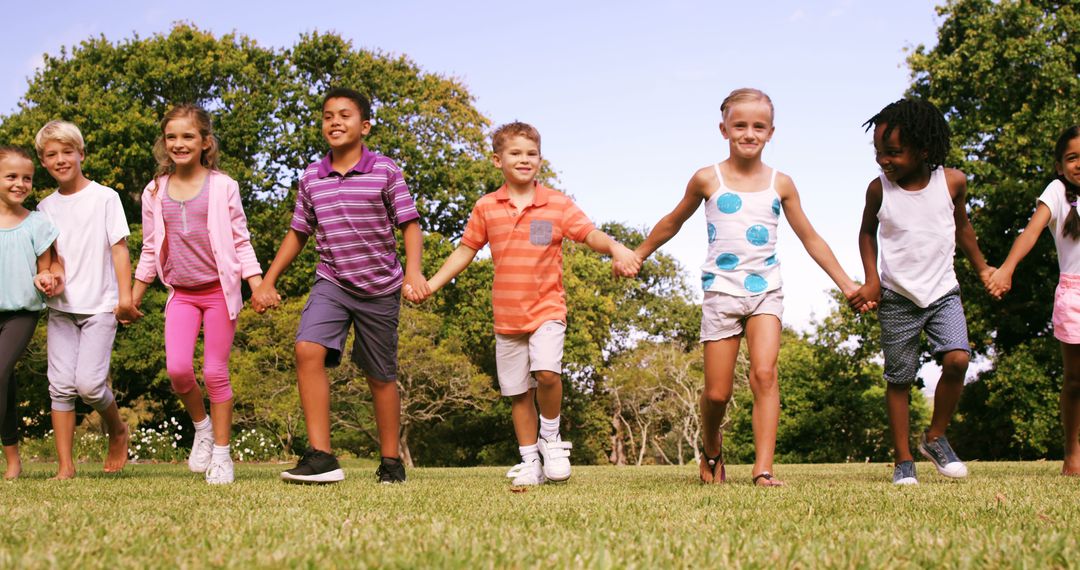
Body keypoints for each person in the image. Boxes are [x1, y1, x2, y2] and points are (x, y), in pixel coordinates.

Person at [633, 88, 864, 486]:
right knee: (717, 394)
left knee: (764, 374)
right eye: (740, 125)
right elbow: (673, 220)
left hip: (766, 292)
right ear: (723, 129)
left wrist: (846, 284)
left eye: (759, 126)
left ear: (771, 132)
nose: (749, 133)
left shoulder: (782, 183)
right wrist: (638, 254)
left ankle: (763, 470)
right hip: (721, 292)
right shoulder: (707, 178)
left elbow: (810, 237)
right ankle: (711, 448)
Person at [406, 121, 639, 486]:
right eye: (515, 153)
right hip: (507, 316)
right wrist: (431, 284)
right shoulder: (486, 206)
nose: (524, 159)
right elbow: (466, 250)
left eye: (531, 154)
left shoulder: (557, 204)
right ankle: (530, 460)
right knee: (517, 393)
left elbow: (588, 233)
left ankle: (551, 438)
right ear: (497, 160)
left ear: (540, 160)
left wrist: (615, 247)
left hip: (547, 309)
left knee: (547, 373)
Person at [252, 87, 426, 484]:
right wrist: (267, 280)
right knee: (307, 349)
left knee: (380, 375)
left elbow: (409, 224)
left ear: (364, 126)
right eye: (328, 115)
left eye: (344, 115)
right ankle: (322, 457)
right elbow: (298, 232)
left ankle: (391, 462)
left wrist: (413, 273)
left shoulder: (385, 170)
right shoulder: (312, 176)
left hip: (380, 286)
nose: (335, 122)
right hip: (332, 281)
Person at [849, 98, 995, 485]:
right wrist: (871, 279)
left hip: (943, 290)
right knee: (900, 377)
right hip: (897, 296)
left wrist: (982, 267)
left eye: (893, 153)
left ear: (924, 150)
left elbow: (962, 227)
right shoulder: (878, 190)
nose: (884, 160)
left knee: (959, 359)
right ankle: (903, 460)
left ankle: (936, 437)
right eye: (878, 152)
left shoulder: (952, 182)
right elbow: (867, 233)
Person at [132, 104, 263, 485]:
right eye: (171, 137)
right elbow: (149, 248)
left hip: (220, 292)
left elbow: (241, 241)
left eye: (188, 136)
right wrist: (134, 296)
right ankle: (202, 427)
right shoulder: (154, 191)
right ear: (164, 143)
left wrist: (256, 284)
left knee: (214, 372)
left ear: (205, 141)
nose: (179, 143)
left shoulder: (223, 186)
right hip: (182, 294)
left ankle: (222, 455)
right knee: (177, 370)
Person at [35, 120, 135, 479]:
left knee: (90, 385)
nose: (60, 159)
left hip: (100, 306)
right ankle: (65, 466)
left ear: (81, 154)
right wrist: (52, 276)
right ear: (43, 162)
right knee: (60, 386)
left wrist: (124, 298)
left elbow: (119, 249)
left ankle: (118, 429)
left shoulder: (105, 197)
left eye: (67, 151)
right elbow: (52, 258)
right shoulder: (44, 208)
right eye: (51, 155)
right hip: (61, 309)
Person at [987, 125, 1080, 476]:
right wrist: (1007, 269)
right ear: (1059, 166)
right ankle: (1072, 452)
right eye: (1072, 157)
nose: (1079, 164)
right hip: (1075, 293)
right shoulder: (1057, 192)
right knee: (1074, 380)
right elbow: (1031, 231)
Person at [0, 146, 61, 480]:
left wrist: (46, 276)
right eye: (11, 176)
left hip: (20, 313)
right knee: (4, 383)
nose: (20, 183)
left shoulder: (37, 223)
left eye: (27, 177)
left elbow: (46, 265)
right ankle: (13, 460)